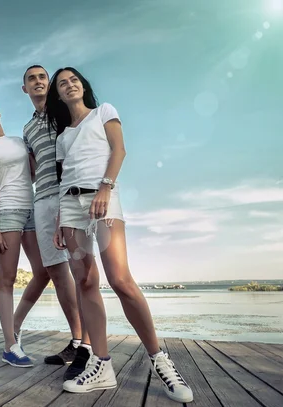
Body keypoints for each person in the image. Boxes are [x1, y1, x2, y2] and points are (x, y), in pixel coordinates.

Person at [46, 66, 194, 402]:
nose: (68, 85)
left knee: (120, 279)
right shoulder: (62, 136)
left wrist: (105, 187)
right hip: (69, 208)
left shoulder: (104, 112)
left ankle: (161, 360)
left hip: (104, 200)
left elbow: (119, 150)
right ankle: (102, 364)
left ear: (83, 86)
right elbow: (62, 177)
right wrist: (58, 220)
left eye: (73, 80)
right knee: (84, 282)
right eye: (62, 84)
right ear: (58, 94)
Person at [19, 65, 91, 380]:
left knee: (81, 274)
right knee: (58, 275)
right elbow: (33, 169)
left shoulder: (63, 110)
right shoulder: (27, 129)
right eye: (31, 78)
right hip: (42, 201)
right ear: (24, 88)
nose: (38, 81)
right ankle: (76, 341)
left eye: (42, 77)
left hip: (72, 197)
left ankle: (89, 345)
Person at [0, 99, 43, 367]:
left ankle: (13, 325)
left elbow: (32, 175)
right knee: (8, 278)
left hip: (32, 209)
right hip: (8, 212)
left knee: (43, 271)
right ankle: (9, 346)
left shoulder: (19, 141)